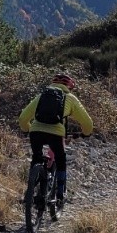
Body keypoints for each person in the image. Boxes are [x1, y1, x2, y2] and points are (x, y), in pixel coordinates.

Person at [18, 72, 93, 208]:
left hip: (36, 132)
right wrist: (85, 134)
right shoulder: (70, 98)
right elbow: (87, 122)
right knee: (60, 159)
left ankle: (29, 192)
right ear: (69, 87)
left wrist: (27, 129)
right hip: (56, 134)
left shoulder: (42, 95)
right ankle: (60, 196)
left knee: (36, 158)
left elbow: (23, 117)